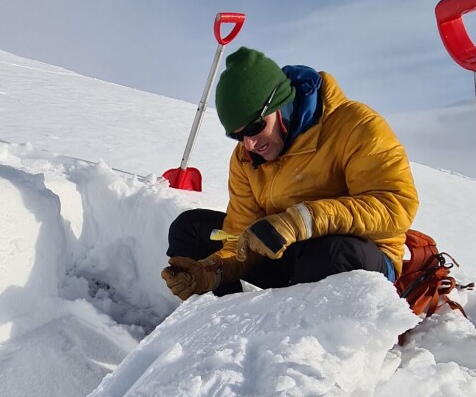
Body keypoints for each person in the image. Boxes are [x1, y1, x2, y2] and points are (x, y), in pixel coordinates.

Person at [161, 47, 419, 301]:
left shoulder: (356, 125)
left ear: (280, 105)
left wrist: (300, 221)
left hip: (360, 258)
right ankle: (223, 322)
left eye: (255, 127)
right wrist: (213, 271)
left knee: (331, 253)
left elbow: (396, 207)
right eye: (238, 136)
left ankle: (303, 328)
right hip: (285, 252)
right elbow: (239, 237)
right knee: (189, 227)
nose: (250, 144)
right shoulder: (245, 158)